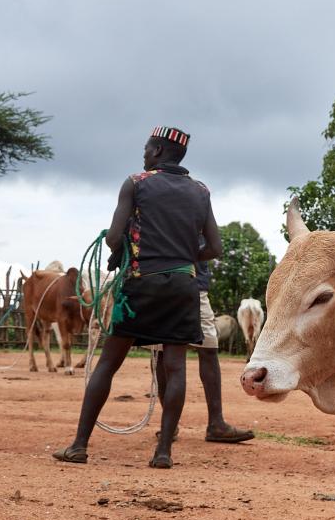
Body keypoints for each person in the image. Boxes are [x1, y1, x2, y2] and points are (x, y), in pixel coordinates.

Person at [52, 125, 221, 468]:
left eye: (146, 148)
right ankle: (163, 453)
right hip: (182, 287)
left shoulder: (137, 183)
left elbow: (113, 238)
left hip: (140, 285)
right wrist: (184, 258)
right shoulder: (201, 191)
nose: (143, 153)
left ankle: (79, 446)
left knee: (108, 363)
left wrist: (131, 251)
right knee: (175, 367)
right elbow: (214, 247)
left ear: (157, 151)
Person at [154, 243, 254, 444]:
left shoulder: (151, 212)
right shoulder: (198, 211)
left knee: (171, 353)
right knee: (204, 351)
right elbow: (214, 244)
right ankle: (200, 424)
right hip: (188, 284)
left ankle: (182, 425)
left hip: (166, 285)